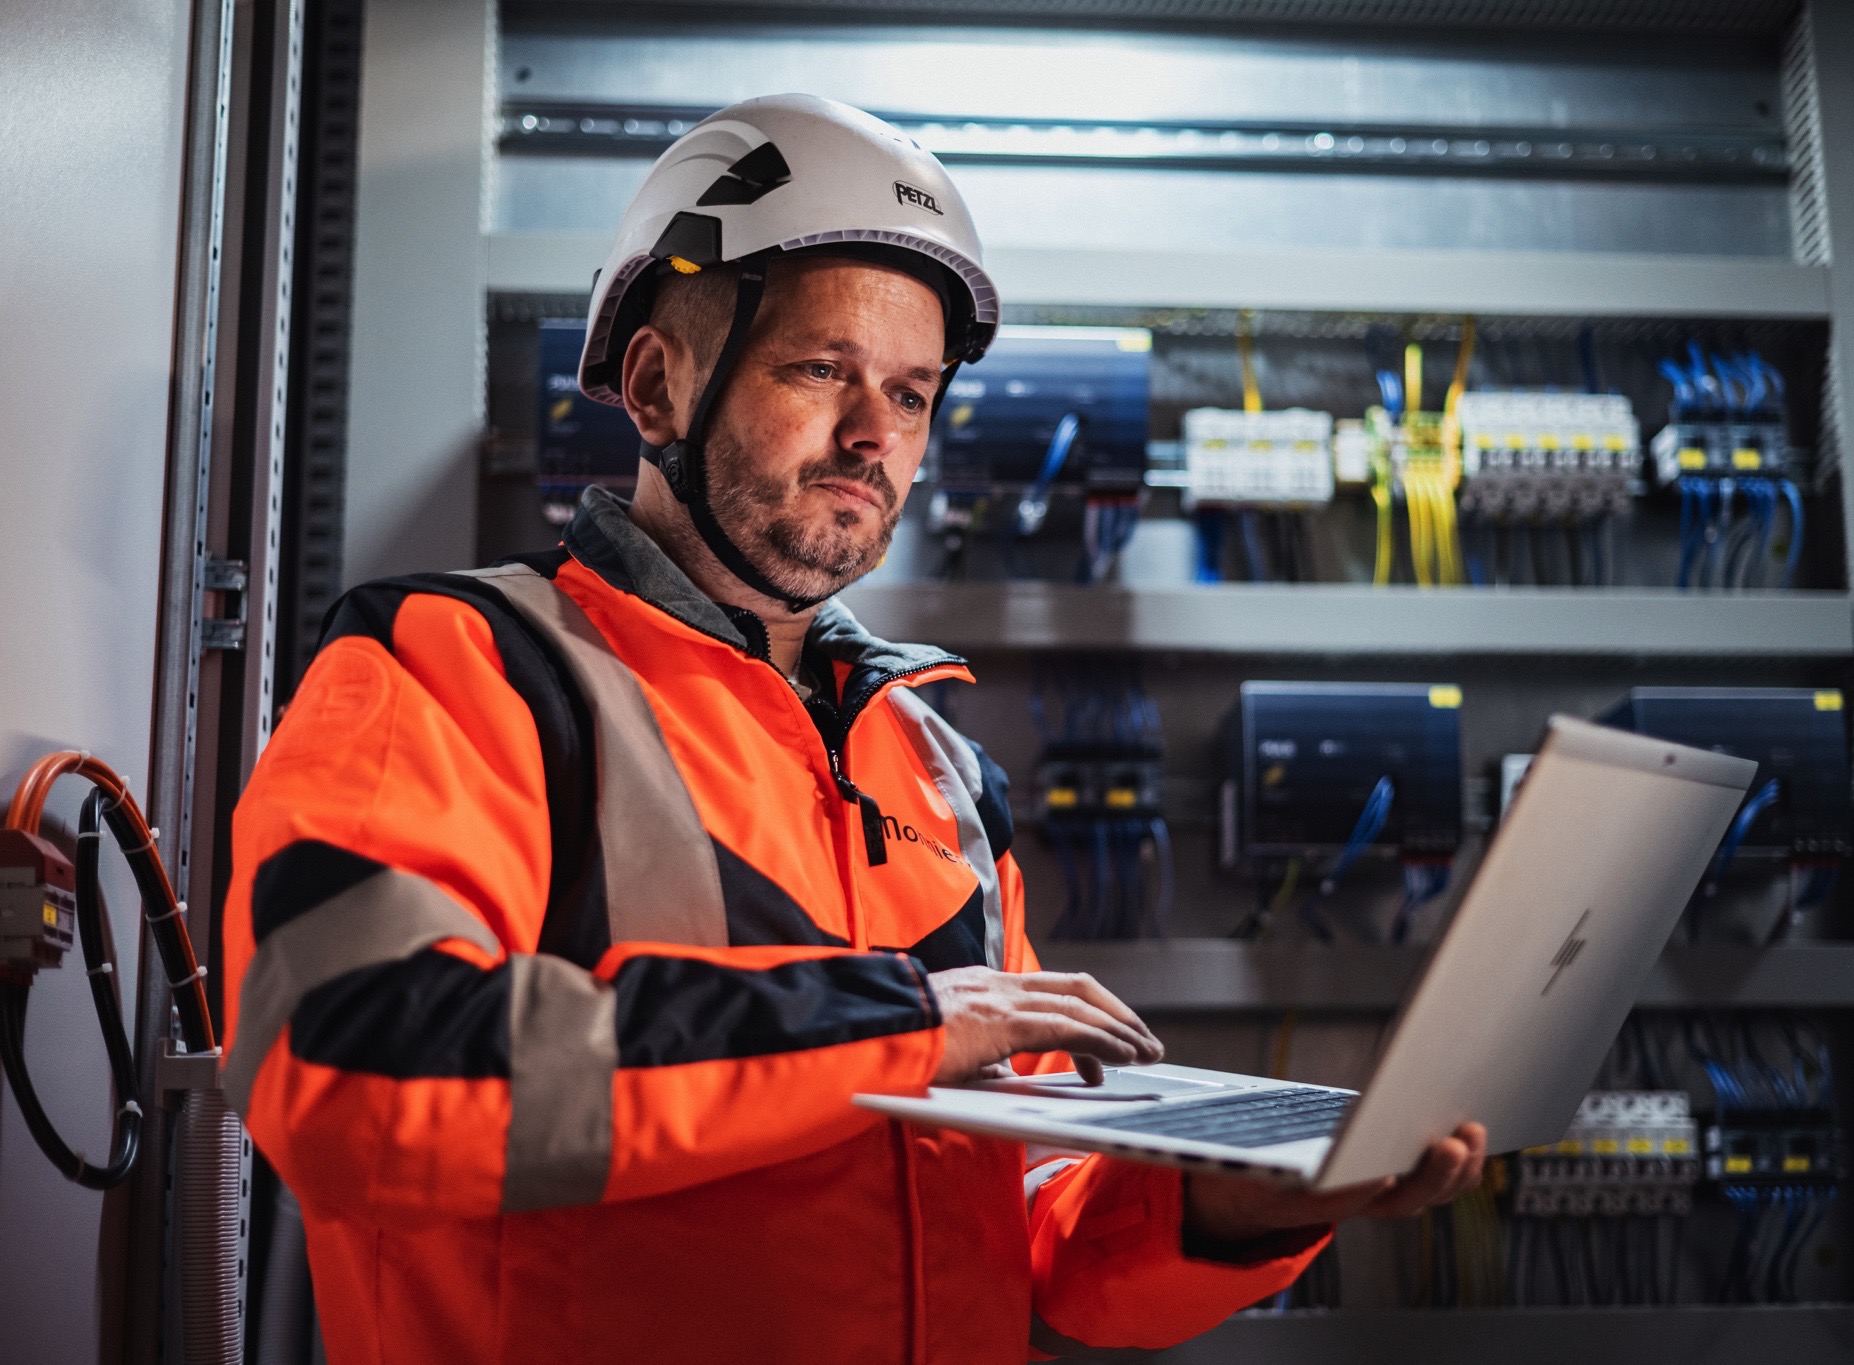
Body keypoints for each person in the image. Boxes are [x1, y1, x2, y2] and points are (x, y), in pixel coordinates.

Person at [220, 94, 1485, 1364]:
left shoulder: (936, 768)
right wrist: (897, 1021)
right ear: (655, 385)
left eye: (912, 391)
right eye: (821, 369)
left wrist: (1233, 1211)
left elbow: (1040, 1226)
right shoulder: (460, 664)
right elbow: (349, 1066)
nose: (875, 434)